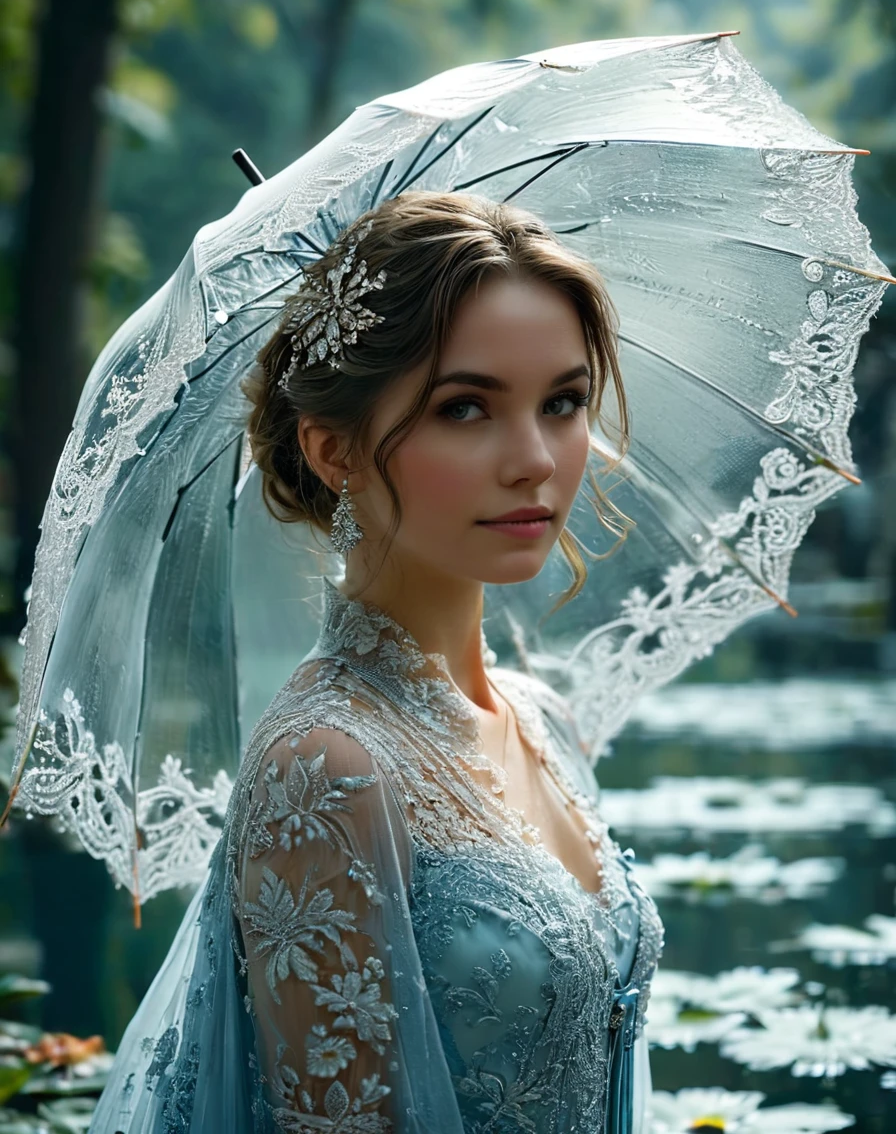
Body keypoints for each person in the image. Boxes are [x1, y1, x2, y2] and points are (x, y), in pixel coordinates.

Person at [88, 190, 664, 1133]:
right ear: (334, 449)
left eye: (563, 402)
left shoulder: (543, 718)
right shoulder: (327, 770)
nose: (535, 459)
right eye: (466, 407)